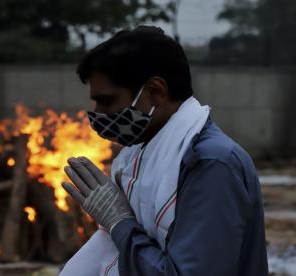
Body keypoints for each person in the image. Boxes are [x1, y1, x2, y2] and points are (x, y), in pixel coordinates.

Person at [60, 26, 268, 276]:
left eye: (107, 100)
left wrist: (120, 223)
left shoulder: (211, 163)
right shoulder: (139, 154)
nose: (98, 114)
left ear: (155, 91)